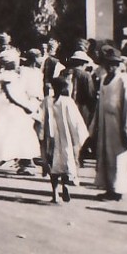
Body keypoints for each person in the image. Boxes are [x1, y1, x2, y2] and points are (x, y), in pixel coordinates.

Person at [91, 45, 127, 202]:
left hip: (118, 124)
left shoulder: (123, 81)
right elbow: (100, 104)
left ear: (118, 65)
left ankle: (118, 189)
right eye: (108, 64)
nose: (110, 67)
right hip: (106, 124)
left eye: (114, 64)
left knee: (118, 158)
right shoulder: (105, 80)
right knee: (106, 156)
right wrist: (96, 126)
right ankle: (109, 188)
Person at [43, 72, 89, 203]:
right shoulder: (68, 102)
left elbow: (41, 117)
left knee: (53, 166)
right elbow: (76, 122)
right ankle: (66, 186)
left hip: (51, 139)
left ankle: (55, 194)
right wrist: (79, 138)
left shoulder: (47, 101)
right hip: (66, 139)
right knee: (66, 164)